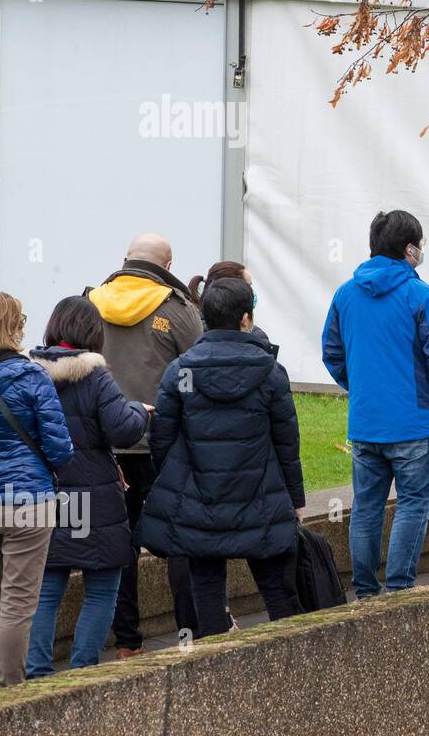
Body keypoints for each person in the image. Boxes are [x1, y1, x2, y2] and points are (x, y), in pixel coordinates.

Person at [136, 278, 304, 639]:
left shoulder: (181, 371)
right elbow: (287, 441)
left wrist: (179, 477)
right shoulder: (270, 373)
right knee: (275, 586)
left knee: (207, 586)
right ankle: (291, 660)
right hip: (261, 494)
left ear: (204, 318)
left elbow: (161, 436)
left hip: (199, 496)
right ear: (246, 319)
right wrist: (296, 499)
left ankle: (215, 663)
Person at [321, 211, 429, 598]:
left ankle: (365, 590)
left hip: (365, 423)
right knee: (413, 505)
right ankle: (399, 589)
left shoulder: (345, 294)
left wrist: (359, 386)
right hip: (413, 423)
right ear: (410, 249)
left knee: (366, 507)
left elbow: (331, 351)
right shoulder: (421, 295)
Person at [86, 232, 202, 656]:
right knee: (179, 539)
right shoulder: (178, 308)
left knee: (119, 546)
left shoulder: (91, 302)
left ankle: (127, 643)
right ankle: (191, 633)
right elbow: (199, 368)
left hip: (105, 446)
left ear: (125, 259)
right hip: (161, 445)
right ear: (167, 267)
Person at [26, 297, 149, 677]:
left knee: (46, 590)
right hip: (94, 499)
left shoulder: (30, 374)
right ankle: (84, 672)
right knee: (102, 586)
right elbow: (123, 430)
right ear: (93, 333)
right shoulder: (97, 377)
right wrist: (139, 411)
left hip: (49, 494)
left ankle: (37, 673)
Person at [0, 293, 73, 687]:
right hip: (27, 501)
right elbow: (59, 448)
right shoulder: (32, 375)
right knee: (18, 604)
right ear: (15, 326)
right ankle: (10, 691)